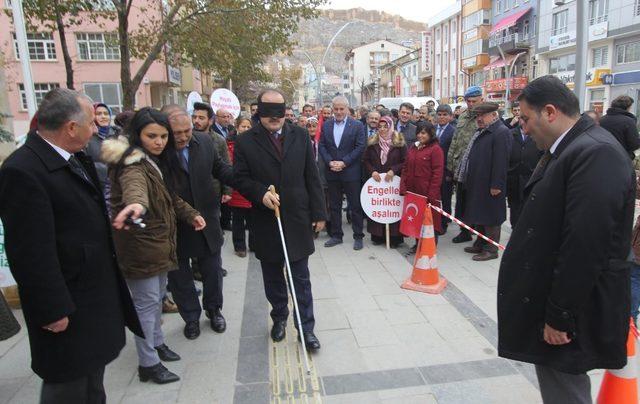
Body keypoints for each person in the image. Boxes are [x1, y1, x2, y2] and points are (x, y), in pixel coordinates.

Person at [498, 75, 635, 404]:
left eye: (526, 119)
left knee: (565, 389)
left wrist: (560, 315)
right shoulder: (573, 147)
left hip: (574, 307)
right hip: (556, 298)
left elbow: (585, 244)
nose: (524, 129)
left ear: (549, 112)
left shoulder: (595, 153)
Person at [0, 88, 143, 402]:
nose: (96, 129)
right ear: (70, 128)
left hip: (89, 297)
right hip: (66, 305)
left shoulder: (72, 156)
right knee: (67, 386)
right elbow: (29, 252)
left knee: (92, 382)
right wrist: (52, 310)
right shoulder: (23, 171)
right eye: (91, 123)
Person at [103, 107, 206, 384]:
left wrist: (190, 213)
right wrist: (136, 205)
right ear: (138, 135)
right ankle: (148, 364)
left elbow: (168, 196)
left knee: (156, 299)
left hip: (158, 244)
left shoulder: (153, 160)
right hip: (141, 247)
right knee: (147, 308)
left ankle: (157, 345)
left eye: (163, 136)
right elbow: (136, 189)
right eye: (152, 136)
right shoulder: (132, 163)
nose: (159, 142)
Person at [233, 89, 326, 351]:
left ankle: (306, 328)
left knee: (301, 278)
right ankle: (279, 318)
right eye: (268, 110)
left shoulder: (299, 135)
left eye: (279, 110)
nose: (274, 117)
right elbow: (240, 178)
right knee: (273, 278)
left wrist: (319, 213)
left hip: (297, 217)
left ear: (286, 110)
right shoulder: (245, 141)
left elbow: (312, 175)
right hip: (266, 219)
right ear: (258, 111)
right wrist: (260, 194)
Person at [164, 107, 235, 341]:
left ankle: (214, 310)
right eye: (177, 133)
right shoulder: (157, 151)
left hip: (207, 217)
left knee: (213, 269)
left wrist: (241, 179)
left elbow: (220, 169)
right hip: (175, 224)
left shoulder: (204, 142)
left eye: (188, 130)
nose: (184, 137)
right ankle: (191, 317)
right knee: (179, 275)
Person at [456, 102, 510, 261]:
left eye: (482, 115)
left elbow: (501, 161)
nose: (479, 119)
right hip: (477, 181)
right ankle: (480, 243)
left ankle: (491, 249)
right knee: (479, 214)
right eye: (477, 116)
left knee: (491, 217)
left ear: (494, 115)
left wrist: (496, 184)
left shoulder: (501, 132)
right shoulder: (482, 131)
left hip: (490, 184)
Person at [319, 95, 367, 250]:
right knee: (334, 205)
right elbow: (322, 146)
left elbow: (360, 147)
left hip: (350, 172)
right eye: (336, 109)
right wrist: (330, 162)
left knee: (355, 206)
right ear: (332, 109)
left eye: (341, 109)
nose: (338, 112)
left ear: (347, 109)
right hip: (332, 171)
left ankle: (358, 236)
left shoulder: (357, 125)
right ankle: (336, 235)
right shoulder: (326, 125)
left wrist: (344, 162)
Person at [400, 121, 444, 253]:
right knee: (417, 220)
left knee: (431, 221)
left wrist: (432, 194)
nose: (420, 135)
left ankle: (429, 247)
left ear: (430, 134)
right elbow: (405, 168)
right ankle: (418, 244)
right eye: (418, 132)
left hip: (428, 192)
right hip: (413, 192)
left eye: (423, 133)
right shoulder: (414, 147)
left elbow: (437, 173)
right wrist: (403, 186)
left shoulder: (436, 149)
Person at [363, 116, 407, 247]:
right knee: (379, 207)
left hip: (393, 183)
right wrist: (372, 171)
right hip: (377, 183)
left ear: (390, 126)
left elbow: (405, 162)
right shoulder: (373, 142)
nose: (382, 129)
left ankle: (394, 238)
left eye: (385, 126)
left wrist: (394, 170)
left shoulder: (399, 142)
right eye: (380, 126)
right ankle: (378, 236)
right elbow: (366, 160)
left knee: (392, 208)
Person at [447, 86, 483, 243]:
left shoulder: (485, 117)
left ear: (481, 99)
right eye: (468, 101)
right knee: (461, 200)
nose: (470, 104)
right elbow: (455, 141)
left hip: (476, 167)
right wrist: (450, 166)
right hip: (459, 166)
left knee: (475, 201)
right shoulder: (462, 117)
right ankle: (464, 230)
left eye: (473, 101)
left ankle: (477, 231)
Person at [191, 102, 233, 232]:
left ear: (210, 121)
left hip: (212, 191)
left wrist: (227, 191)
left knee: (211, 226)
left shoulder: (219, 140)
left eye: (201, 118)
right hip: (191, 190)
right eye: (194, 117)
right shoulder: (186, 137)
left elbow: (226, 165)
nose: (196, 121)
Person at [506, 121, 543, 228]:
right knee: (515, 207)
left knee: (529, 207)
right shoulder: (511, 134)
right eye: (523, 118)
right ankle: (515, 229)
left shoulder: (538, 134)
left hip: (530, 178)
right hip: (513, 178)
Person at [228, 117, 254, 257]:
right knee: (238, 220)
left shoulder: (255, 143)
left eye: (248, 126)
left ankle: (254, 244)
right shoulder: (230, 144)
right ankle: (239, 247)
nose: (245, 129)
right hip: (237, 188)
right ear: (237, 127)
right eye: (243, 126)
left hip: (252, 187)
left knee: (254, 219)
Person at [435, 104, 456, 234]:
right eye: (440, 114)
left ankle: (444, 222)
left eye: (445, 115)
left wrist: (450, 172)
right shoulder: (432, 129)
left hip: (445, 170)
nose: (442, 117)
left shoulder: (453, 131)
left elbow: (453, 153)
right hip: (433, 169)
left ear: (450, 116)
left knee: (446, 197)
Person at [599, 95, 640, 160]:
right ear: (627, 107)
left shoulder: (601, 119)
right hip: (621, 158)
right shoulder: (629, 121)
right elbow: (634, 144)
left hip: (601, 155)